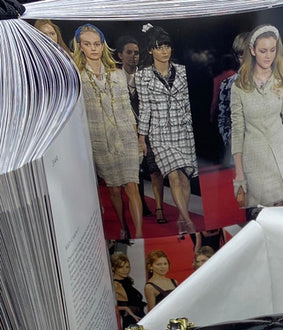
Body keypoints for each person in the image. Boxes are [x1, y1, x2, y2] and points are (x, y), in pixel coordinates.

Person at [73, 23, 143, 240]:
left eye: (97, 44)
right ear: (80, 46)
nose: (93, 48)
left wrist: (137, 138)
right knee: (114, 188)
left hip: (126, 135)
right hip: (99, 139)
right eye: (87, 44)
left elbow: (127, 108)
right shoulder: (77, 76)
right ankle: (123, 227)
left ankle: (140, 234)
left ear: (103, 45)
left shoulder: (118, 74)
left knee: (132, 185)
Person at [231, 24, 283, 215]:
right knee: (258, 215)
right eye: (263, 51)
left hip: (280, 156)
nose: (268, 56)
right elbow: (237, 130)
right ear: (252, 50)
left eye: (272, 50)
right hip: (253, 158)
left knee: (278, 213)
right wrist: (239, 173)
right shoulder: (239, 86)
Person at [136, 25, 198, 235]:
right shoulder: (142, 76)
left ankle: (182, 216)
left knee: (184, 178)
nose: (164, 51)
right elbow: (145, 108)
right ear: (150, 50)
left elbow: (189, 102)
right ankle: (188, 222)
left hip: (184, 132)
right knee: (173, 175)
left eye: (167, 46)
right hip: (160, 133)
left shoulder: (183, 71)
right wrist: (142, 138)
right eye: (159, 47)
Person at [115, 33, 166, 224]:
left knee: (155, 169)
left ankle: (159, 208)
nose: (133, 56)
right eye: (128, 52)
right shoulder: (115, 78)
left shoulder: (146, 76)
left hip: (149, 130)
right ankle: (142, 204)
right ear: (120, 55)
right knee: (135, 172)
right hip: (127, 131)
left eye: (136, 53)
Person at [216, 32, 249, 166]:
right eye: (242, 56)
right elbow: (223, 119)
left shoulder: (268, 83)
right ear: (236, 57)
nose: (246, 60)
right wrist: (230, 140)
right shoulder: (227, 84)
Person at [111, 251, 145, 327]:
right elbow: (108, 306)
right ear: (113, 268)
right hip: (131, 323)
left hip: (140, 320)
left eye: (127, 267)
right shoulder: (115, 285)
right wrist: (125, 308)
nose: (125, 270)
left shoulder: (127, 281)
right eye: (120, 267)